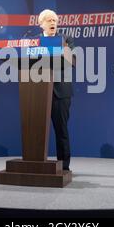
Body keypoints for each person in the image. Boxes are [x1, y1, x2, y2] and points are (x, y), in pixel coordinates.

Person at [38, 9, 75, 171]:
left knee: (61, 130)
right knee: (37, 130)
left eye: (55, 20)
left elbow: (71, 60)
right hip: (37, 92)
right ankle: (36, 163)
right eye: (49, 20)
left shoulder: (65, 39)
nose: (53, 23)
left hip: (61, 92)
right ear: (41, 24)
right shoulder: (34, 41)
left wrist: (62, 49)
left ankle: (64, 166)